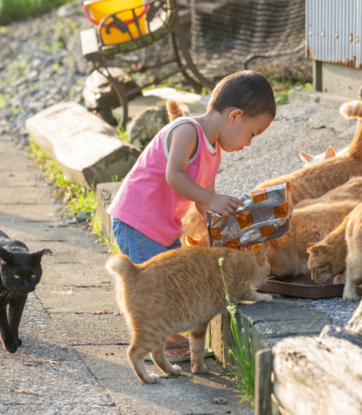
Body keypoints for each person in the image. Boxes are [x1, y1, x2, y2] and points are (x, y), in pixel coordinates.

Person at [107, 70, 276, 362]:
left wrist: (224, 224)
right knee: (157, 285)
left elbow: (203, 201)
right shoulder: (187, 130)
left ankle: (169, 337)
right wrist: (210, 197)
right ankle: (167, 341)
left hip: (162, 226)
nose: (248, 143)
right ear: (235, 116)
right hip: (138, 220)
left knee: (172, 280)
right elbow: (175, 176)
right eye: (253, 134)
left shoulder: (213, 150)